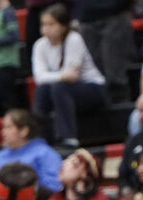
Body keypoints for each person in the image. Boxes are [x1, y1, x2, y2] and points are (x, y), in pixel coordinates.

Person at [31, 4, 108, 150]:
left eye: (51, 24)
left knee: (59, 88)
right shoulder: (39, 45)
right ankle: (39, 138)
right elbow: (39, 77)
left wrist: (58, 77)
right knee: (42, 90)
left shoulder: (74, 39)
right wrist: (61, 76)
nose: (46, 28)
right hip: (64, 90)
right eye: (44, 24)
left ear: (63, 26)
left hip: (93, 89)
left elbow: (72, 76)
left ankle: (68, 138)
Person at [0, 109, 62, 194]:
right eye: (3, 127)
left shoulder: (45, 154)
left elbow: (54, 187)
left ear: (24, 131)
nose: (3, 132)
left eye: (8, 127)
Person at [75, 0, 132, 101]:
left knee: (115, 72)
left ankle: (119, 109)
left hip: (115, 14)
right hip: (86, 16)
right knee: (92, 74)